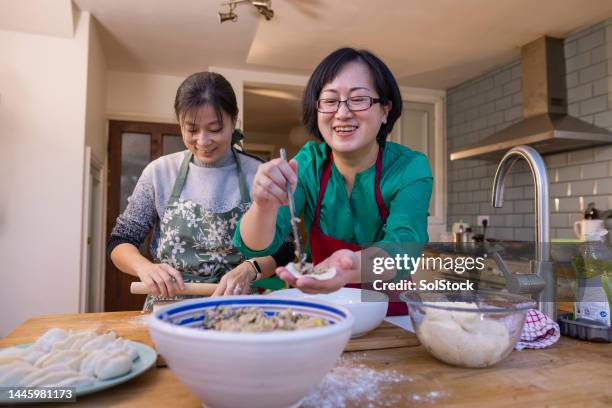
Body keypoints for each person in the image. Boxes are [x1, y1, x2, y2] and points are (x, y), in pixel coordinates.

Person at [234, 48, 433, 314]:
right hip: (325, 312)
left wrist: (348, 266)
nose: (342, 113)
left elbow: (405, 246)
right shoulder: (308, 164)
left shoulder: (410, 167)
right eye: (329, 100)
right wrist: (262, 205)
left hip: (390, 316)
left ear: (385, 110)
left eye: (359, 99)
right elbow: (257, 245)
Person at [108, 72, 292, 311]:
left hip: (240, 309)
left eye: (214, 128)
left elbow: (285, 249)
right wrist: (145, 268)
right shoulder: (160, 172)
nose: (203, 141)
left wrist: (250, 269)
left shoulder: (259, 173)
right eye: (192, 130)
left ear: (234, 119)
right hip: (169, 309)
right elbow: (120, 240)